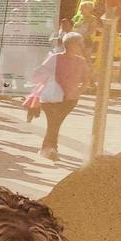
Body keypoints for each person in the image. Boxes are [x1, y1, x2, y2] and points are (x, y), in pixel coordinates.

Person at [34, 32, 90, 162]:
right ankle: (51, 149)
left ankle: (48, 149)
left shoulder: (81, 61)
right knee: (54, 123)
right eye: (78, 44)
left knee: (55, 123)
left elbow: (86, 80)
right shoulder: (54, 58)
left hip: (69, 99)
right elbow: (41, 73)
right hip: (51, 97)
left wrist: (78, 91)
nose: (80, 46)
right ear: (69, 45)